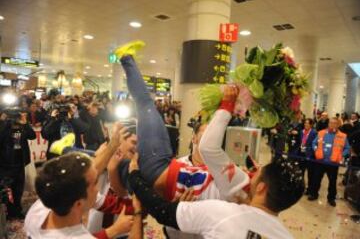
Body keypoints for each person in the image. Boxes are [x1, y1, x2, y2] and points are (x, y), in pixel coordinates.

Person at [112, 42, 249, 204]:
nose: (209, 138)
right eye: (204, 134)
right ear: (194, 139)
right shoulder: (236, 185)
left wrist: (227, 106)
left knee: (145, 104)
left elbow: (208, 148)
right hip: (163, 164)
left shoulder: (237, 190)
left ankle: (126, 57)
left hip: (156, 169)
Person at [128, 152, 304, 239]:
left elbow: (162, 211)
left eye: (258, 172)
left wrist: (134, 176)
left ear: (261, 188)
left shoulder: (224, 214)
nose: (254, 172)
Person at [24, 152, 143, 239]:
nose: (99, 189)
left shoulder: (40, 206)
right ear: (79, 203)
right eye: (95, 184)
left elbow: (109, 203)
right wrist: (137, 213)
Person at [0, 109, 36, 219]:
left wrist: (25, 123)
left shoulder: (21, 127)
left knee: (18, 189)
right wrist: (2, 122)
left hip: (20, 163)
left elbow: (32, 136)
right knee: (7, 190)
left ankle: (17, 210)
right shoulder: (3, 127)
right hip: (5, 164)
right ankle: (8, 213)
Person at [309, 117, 350, 206]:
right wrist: (316, 150)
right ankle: (314, 194)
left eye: (335, 123)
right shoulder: (321, 133)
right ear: (328, 124)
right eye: (331, 123)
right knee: (316, 179)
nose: (332, 125)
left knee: (332, 182)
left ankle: (331, 198)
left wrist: (342, 155)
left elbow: (347, 148)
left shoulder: (343, 136)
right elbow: (314, 143)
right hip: (320, 161)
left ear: (338, 124)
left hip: (333, 163)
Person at [296, 118, 317, 195]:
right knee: (301, 172)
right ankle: (300, 187)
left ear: (311, 124)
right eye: (305, 123)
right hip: (301, 154)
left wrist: (307, 149)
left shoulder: (314, 133)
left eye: (308, 123)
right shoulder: (301, 132)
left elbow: (315, 144)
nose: (306, 124)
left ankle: (309, 189)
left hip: (309, 155)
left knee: (310, 174)